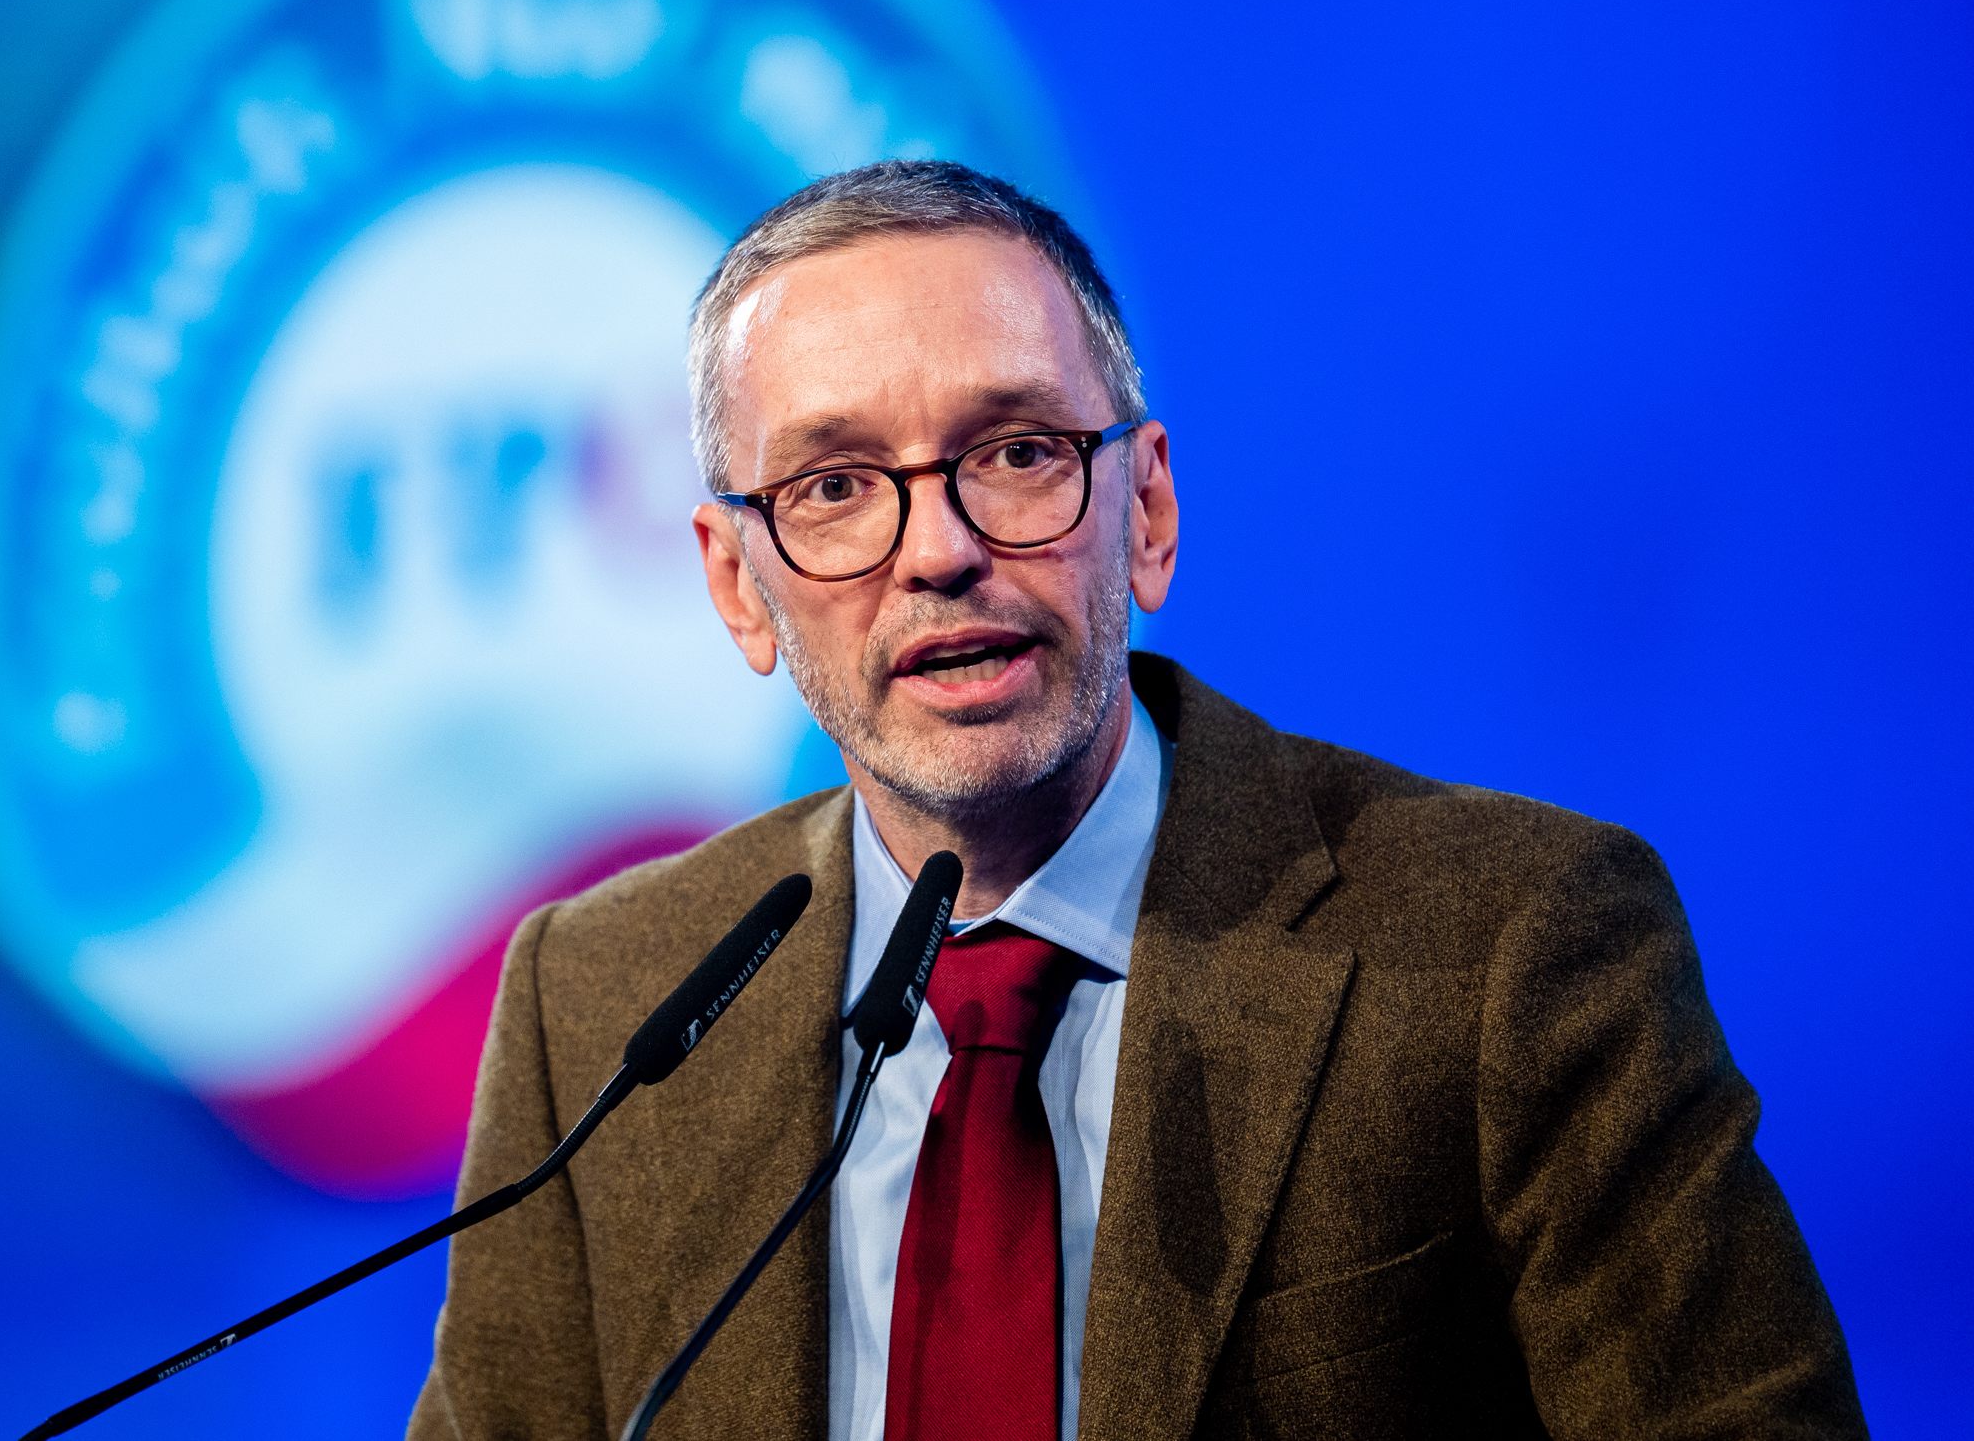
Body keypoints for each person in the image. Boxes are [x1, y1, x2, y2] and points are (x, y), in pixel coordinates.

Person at [408, 161, 1865, 1440]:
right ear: (739, 583)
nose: (940, 551)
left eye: (1018, 453)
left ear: (1147, 512)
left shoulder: (1507, 947)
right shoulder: (601, 1002)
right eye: (838, 484)